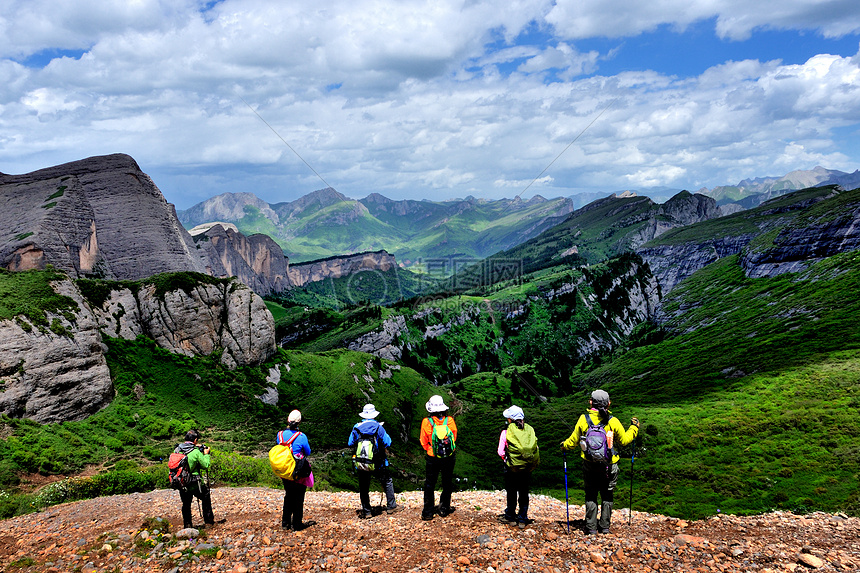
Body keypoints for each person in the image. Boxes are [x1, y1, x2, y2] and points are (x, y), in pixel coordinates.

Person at [561, 389, 639, 535]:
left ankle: (591, 528)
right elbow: (624, 441)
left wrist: (564, 446)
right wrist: (634, 428)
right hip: (609, 465)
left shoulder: (583, 419)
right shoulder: (613, 421)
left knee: (591, 494)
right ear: (609, 404)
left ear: (591, 403)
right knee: (607, 494)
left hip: (589, 464)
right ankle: (604, 527)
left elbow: (573, 441)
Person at [347, 404, 404, 518]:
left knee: (363, 486)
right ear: (374, 415)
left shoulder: (356, 427)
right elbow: (388, 442)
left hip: (362, 461)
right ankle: (391, 506)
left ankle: (367, 510)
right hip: (378, 461)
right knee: (387, 480)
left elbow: (350, 443)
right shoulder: (378, 427)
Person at [497, 405, 539, 529]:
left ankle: (510, 517)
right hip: (526, 467)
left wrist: (508, 460)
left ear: (510, 419)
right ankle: (522, 518)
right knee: (524, 492)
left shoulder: (506, 432)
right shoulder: (530, 430)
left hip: (511, 467)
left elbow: (500, 451)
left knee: (511, 492)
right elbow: (535, 447)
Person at [276, 409, 316, 531]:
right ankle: (297, 524)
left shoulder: (280, 435)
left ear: (288, 420)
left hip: (285, 470)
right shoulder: (301, 436)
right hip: (298, 470)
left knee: (288, 495)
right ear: (299, 422)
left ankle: (285, 522)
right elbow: (308, 452)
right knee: (299, 497)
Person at [419, 394, 457, 521]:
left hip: (432, 456)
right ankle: (444, 508)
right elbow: (454, 438)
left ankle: (428, 512)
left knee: (430, 483)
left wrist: (430, 449)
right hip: (448, 457)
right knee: (447, 482)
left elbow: (423, 441)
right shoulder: (450, 421)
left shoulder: (426, 422)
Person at [175, 429, 215, 529]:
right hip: (195, 482)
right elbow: (205, 465)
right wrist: (206, 454)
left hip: (182, 482)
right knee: (205, 497)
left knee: (186, 504)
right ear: (195, 440)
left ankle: (187, 525)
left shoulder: (177, 450)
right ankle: (208, 522)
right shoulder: (196, 452)